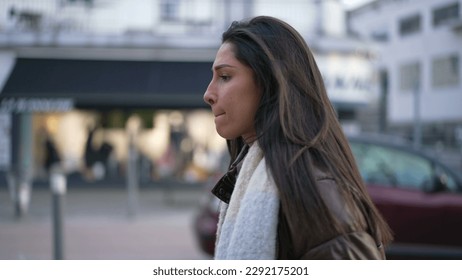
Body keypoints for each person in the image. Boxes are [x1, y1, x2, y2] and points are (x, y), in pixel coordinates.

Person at [203, 16, 393, 260]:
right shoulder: (260, 174)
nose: (208, 94)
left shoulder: (311, 188)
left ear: (270, 81)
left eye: (225, 77)